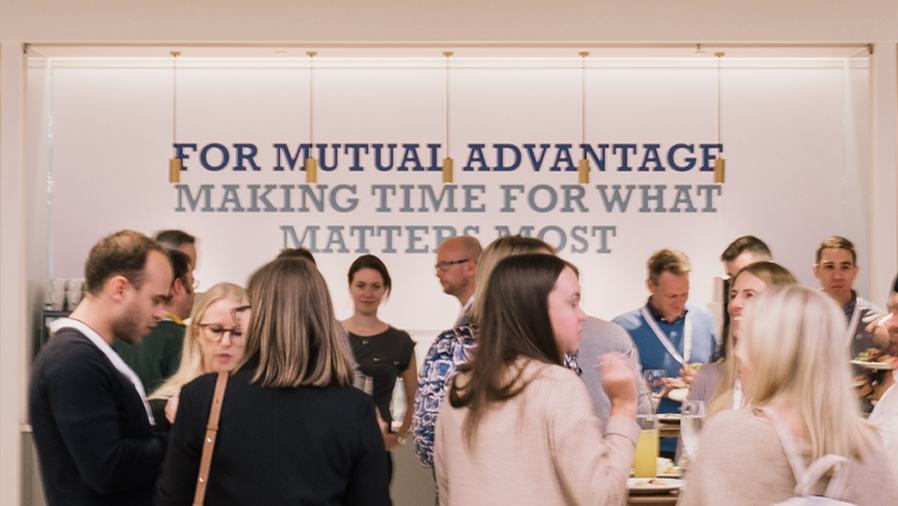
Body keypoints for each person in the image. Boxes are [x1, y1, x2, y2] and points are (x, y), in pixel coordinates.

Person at [155, 257, 390, 505]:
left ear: (256, 317)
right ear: (322, 318)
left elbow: (171, 498)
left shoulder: (203, 396)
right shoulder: (355, 408)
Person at [435, 254, 639, 506]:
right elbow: (603, 498)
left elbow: (447, 491)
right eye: (573, 303)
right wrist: (624, 407)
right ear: (537, 311)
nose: (582, 315)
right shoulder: (557, 385)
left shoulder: (462, 385)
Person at [679, 285, 898, 506]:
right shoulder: (869, 447)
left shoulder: (726, 433)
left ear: (770, 351)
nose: (737, 352)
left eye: (746, 339)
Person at [29, 230, 172, 506]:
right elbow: (107, 467)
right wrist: (183, 441)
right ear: (120, 288)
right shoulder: (74, 362)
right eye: (156, 299)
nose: (160, 313)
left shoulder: (89, 355)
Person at [413, 235, 554, 469]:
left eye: (443, 265)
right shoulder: (455, 344)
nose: (438, 273)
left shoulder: (558, 348)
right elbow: (430, 443)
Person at [612, 248, 717, 455]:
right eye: (672, 296)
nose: (680, 302)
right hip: (646, 443)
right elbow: (610, 388)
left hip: (698, 442)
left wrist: (702, 379)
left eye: (685, 294)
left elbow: (723, 375)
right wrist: (653, 390)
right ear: (651, 286)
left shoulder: (704, 320)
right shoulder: (622, 328)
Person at [341, 254, 416, 480]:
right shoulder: (331, 336)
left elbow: (416, 398)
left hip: (378, 448)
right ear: (350, 287)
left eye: (375, 286)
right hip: (335, 448)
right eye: (361, 285)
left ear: (385, 290)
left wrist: (399, 437)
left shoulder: (399, 341)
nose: (367, 293)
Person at [689, 261, 797, 415]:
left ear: (780, 307)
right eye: (733, 295)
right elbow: (689, 438)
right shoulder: (708, 378)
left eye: (749, 295)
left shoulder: (799, 384)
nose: (734, 304)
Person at [147, 282, 247, 432]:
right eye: (215, 330)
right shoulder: (163, 407)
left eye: (238, 332)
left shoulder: (265, 404)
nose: (226, 342)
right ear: (197, 333)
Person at [113, 249, 195, 393]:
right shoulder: (185, 338)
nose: (194, 291)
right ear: (178, 286)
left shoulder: (118, 334)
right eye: (192, 282)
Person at [813, 236, 884, 357]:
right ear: (817, 270)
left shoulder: (875, 319)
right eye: (829, 267)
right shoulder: (802, 315)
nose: (837, 276)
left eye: (845, 267)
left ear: (855, 271)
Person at [575, 317, 653, 427]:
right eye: (572, 304)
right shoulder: (613, 332)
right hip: (610, 436)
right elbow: (641, 410)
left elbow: (641, 407)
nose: (581, 315)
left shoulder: (612, 333)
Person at [434, 235, 482, 326]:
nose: (438, 274)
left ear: (470, 267)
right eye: (438, 267)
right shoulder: (470, 313)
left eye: (444, 265)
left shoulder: (487, 315)